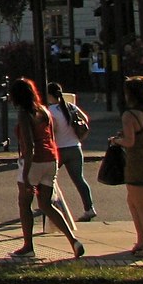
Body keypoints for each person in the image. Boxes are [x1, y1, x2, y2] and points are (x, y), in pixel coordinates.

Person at [8, 77, 84, 259]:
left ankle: (28, 246)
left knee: (25, 204)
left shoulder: (25, 114)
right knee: (46, 203)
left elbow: (29, 145)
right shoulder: (44, 111)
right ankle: (73, 240)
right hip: (51, 159)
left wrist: (26, 175)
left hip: (34, 161)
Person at [113, 76, 143, 258]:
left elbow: (130, 141)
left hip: (137, 165)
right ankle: (142, 240)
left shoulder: (129, 115)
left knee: (141, 207)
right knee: (133, 202)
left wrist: (117, 140)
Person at [46, 82, 96, 222]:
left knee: (49, 179)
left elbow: (52, 129)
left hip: (58, 149)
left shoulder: (50, 111)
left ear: (49, 95)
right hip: (75, 147)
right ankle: (89, 208)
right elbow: (85, 119)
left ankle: (49, 204)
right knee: (79, 179)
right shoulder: (70, 107)